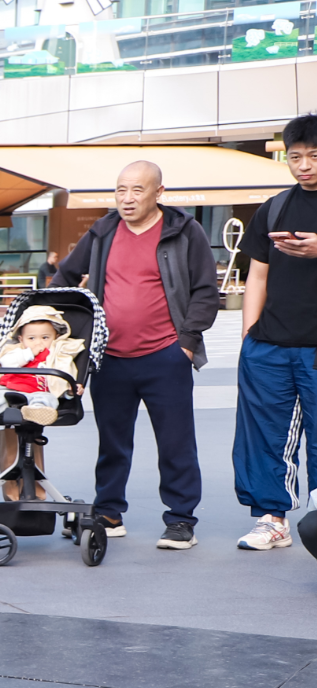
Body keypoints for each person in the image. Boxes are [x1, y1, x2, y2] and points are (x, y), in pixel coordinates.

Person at [58, 159, 219, 549]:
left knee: (176, 442)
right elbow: (64, 277)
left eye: (137, 190)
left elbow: (205, 290)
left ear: (158, 193)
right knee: (112, 442)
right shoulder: (102, 231)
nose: (127, 199)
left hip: (166, 355)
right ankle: (109, 513)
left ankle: (180, 519)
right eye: (120, 190)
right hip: (110, 357)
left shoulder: (184, 231)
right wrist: (67, 330)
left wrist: (186, 342)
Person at [230, 115, 317, 552]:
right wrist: (249, 335)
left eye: (314, 156)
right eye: (295, 157)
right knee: (264, 435)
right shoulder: (276, 206)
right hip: (269, 346)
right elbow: (258, 275)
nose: (304, 166)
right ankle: (271, 518)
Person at [0, 307, 84, 452]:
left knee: (48, 399)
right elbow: (6, 363)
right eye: (31, 338)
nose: (38, 343)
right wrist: (29, 353)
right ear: (21, 339)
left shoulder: (57, 356)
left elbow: (60, 381)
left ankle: (36, 412)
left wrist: (69, 391)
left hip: (37, 392)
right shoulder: (17, 351)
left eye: (45, 338)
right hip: (7, 389)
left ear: (55, 337)